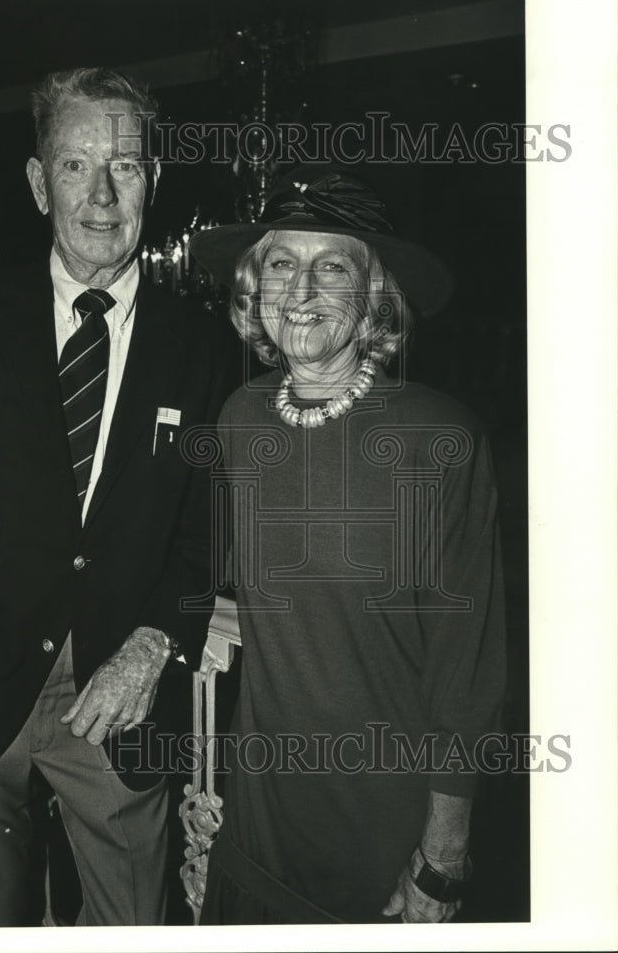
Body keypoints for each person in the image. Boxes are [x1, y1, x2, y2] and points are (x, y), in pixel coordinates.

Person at [0, 66, 238, 927]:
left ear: (154, 181)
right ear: (39, 184)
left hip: (117, 699)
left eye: (127, 167)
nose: (102, 194)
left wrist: (155, 640)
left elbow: (205, 521)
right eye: (75, 166)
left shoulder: (202, 348)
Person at [189, 166, 506, 924]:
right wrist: (203, 783)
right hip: (259, 806)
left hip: (381, 818)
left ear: (372, 296)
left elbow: (468, 669)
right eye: (280, 262)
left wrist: (444, 855)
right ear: (253, 288)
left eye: (331, 266)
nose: (300, 290)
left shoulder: (439, 437)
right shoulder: (238, 418)